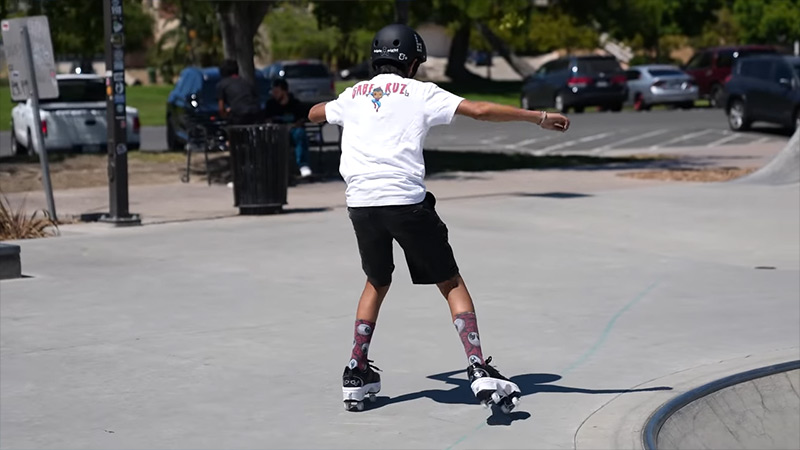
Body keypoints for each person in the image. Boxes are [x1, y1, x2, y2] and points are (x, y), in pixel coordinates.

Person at [308, 24, 570, 413]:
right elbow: (479, 110)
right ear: (412, 63)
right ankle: (478, 366)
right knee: (450, 281)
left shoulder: (352, 95)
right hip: (405, 204)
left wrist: (340, 108)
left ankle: (356, 368)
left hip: (361, 206)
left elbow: (314, 114)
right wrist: (537, 117)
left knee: (377, 280)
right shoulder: (421, 92)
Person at [264, 79, 313, 178]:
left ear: (285, 91)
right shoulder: (271, 105)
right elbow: (267, 120)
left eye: (277, 92)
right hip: (277, 133)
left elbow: (301, 119)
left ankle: (303, 165)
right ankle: (277, 168)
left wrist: (294, 125)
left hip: (293, 132)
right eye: (273, 92)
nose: (274, 94)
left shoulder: (295, 104)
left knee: (300, 133)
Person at [216, 59, 263, 126]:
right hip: (256, 113)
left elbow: (221, 108)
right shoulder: (246, 82)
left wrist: (225, 116)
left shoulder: (222, 84)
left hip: (239, 116)